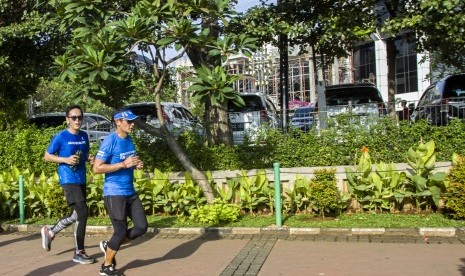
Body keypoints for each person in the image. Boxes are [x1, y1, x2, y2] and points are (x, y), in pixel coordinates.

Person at [93, 109, 148, 276]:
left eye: (133, 122)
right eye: (129, 122)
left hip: (129, 191)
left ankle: (110, 245)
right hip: (114, 193)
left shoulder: (129, 139)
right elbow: (97, 168)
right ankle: (106, 267)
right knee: (120, 230)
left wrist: (136, 163)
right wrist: (124, 164)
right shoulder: (110, 141)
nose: (132, 124)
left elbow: (129, 158)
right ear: (118, 122)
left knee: (141, 227)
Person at [41, 105, 95, 265]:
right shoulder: (60, 137)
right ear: (67, 120)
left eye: (80, 117)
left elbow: (83, 155)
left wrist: (88, 158)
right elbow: (47, 156)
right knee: (83, 213)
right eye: (74, 118)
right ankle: (79, 252)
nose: (77, 120)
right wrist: (65, 159)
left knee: (75, 215)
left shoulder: (84, 136)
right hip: (68, 179)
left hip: (81, 178)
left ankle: (50, 231)